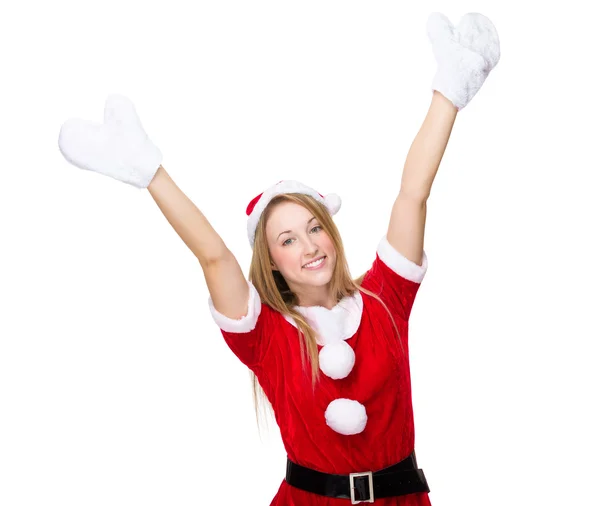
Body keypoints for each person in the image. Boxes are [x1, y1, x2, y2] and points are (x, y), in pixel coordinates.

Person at [57, 11, 500, 505]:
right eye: (287, 240)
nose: (309, 246)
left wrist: (448, 95)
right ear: (270, 262)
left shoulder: (386, 298)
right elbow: (214, 257)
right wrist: (151, 174)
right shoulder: (265, 334)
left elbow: (412, 194)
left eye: (314, 229)